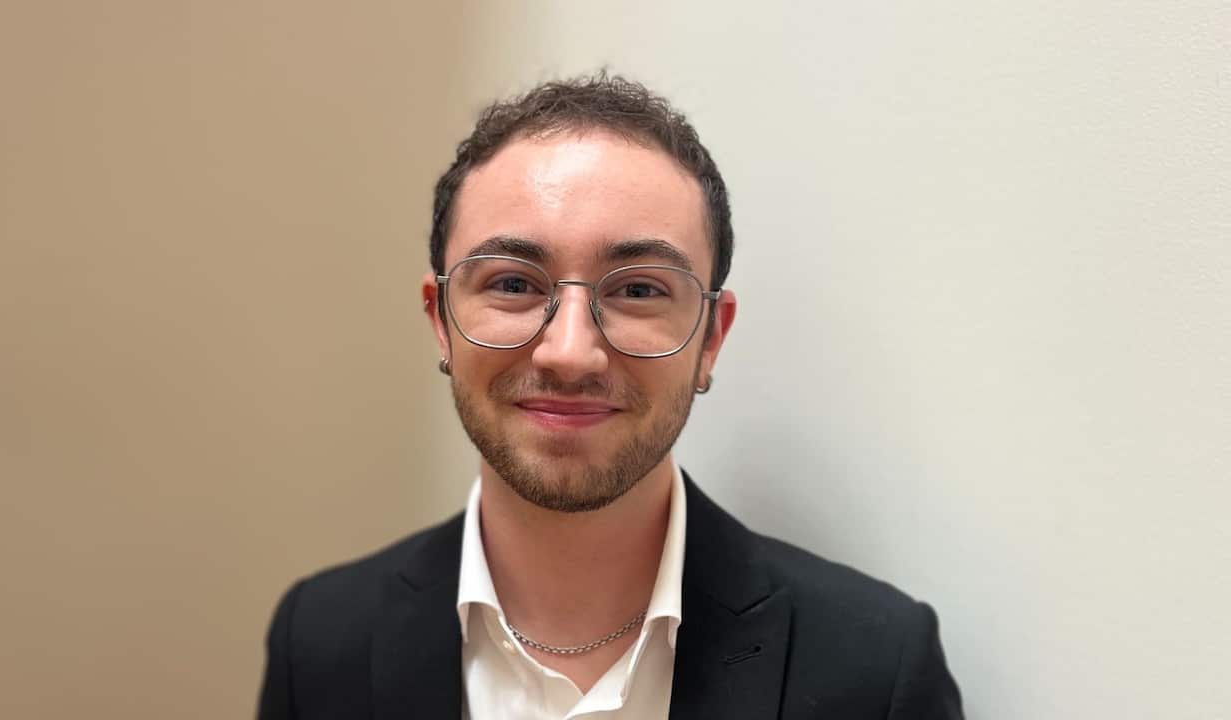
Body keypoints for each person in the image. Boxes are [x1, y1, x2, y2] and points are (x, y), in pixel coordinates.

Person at [257, 73, 963, 719]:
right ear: (440, 320)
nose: (570, 352)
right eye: (512, 283)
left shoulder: (879, 671)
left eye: (637, 290)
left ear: (710, 339)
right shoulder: (320, 642)